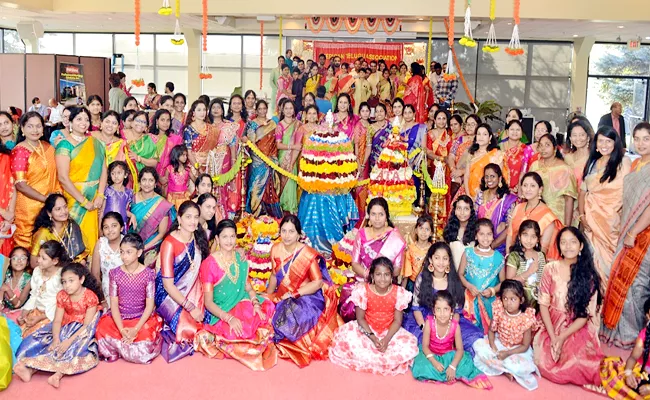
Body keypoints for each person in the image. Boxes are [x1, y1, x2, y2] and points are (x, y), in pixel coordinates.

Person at [194, 219, 277, 370]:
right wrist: (229, 318)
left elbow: (249, 288)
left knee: (266, 310)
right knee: (235, 332)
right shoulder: (209, 264)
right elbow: (208, 302)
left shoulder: (240, 258)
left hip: (242, 301)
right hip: (221, 310)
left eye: (232, 236)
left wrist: (256, 304)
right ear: (217, 239)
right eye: (225, 237)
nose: (229, 241)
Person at [533, 227, 604, 390]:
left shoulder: (589, 275)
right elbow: (543, 304)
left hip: (575, 326)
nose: (568, 246)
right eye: (563, 242)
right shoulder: (549, 268)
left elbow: (585, 315)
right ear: (558, 246)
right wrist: (553, 336)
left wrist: (562, 337)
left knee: (576, 363)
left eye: (573, 242)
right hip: (550, 322)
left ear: (581, 246)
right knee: (544, 362)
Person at [266, 215, 342, 367]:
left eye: (291, 232)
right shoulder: (275, 249)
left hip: (307, 296)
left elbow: (318, 282)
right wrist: (268, 295)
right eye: (284, 231)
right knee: (263, 308)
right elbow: (274, 275)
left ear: (299, 235)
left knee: (289, 315)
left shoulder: (307, 254)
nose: (287, 236)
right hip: (282, 294)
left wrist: (295, 294)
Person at [13, 263, 103, 388]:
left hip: (82, 329)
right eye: (64, 281)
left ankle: (58, 375)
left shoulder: (90, 297)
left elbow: (87, 326)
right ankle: (30, 370)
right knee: (47, 343)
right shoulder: (62, 295)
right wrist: (56, 339)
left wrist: (68, 342)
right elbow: (57, 320)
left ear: (81, 279)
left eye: (71, 281)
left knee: (74, 348)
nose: (67, 285)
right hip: (65, 325)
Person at [601, 122, 650, 349]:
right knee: (620, 280)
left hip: (643, 236)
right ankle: (615, 334)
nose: (640, 143)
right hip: (628, 231)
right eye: (637, 138)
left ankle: (631, 337)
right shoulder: (637, 164)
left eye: (646, 139)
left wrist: (633, 231)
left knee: (636, 286)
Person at [329, 257, 418, 375]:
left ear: (392, 277)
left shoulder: (399, 293)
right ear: (372, 276)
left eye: (386, 275)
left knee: (409, 346)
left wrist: (386, 340)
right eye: (378, 274)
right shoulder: (363, 291)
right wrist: (373, 338)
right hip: (367, 330)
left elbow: (397, 321)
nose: (382, 278)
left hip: (389, 331)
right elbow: (360, 319)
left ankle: (380, 351)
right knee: (347, 341)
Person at [402, 242, 483, 353]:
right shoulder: (422, 279)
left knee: (470, 340)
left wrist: (450, 330)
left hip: (449, 320)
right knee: (418, 344)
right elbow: (416, 308)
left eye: (445, 258)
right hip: (426, 319)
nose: (441, 262)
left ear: (449, 261)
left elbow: (456, 311)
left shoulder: (453, 280)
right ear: (430, 260)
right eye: (437, 258)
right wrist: (424, 327)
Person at [95, 233, 162, 364]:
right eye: (122, 252)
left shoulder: (148, 274)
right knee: (101, 329)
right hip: (119, 318)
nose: (124, 256)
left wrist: (135, 329)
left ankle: (123, 345)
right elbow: (113, 304)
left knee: (145, 345)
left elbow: (149, 306)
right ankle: (125, 342)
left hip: (140, 319)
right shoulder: (114, 273)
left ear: (139, 253)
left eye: (128, 252)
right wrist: (121, 330)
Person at [155, 201, 209, 362]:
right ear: (179, 219)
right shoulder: (169, 243)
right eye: (188, 217)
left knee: (209, 319)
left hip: (195, 289)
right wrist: (190, 307)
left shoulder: (199, 237)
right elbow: (167, 285)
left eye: (196, 217)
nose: (193, 221)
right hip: (169, 295)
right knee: (190, 329)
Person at [579, 126, 630, 283]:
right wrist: (582, 216)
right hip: (590, 223)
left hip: (611, 223)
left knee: (610, 266)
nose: (604, 145)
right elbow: (582, 192)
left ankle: (610, 301)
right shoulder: (592, 163)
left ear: (615, 143)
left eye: (608, 141)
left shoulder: (624, 163)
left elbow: (626, 194)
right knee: (590, 264)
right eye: (600, 141)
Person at [411, 290, 492, 389]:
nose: (442, 313)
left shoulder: (455, 326)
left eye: (446, 309)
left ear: (452, 311)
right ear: (433, 311)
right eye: (438, 309)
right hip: (431, 354)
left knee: (466, 364)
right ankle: (443, 373)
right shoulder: (429, 323)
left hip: (449, 355)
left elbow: (460, 350)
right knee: (422, 366)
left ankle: (444, 373)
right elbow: (424, 346)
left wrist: (452, 366)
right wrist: (434, 362)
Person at [55, 106, 108, 254]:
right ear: (70, 122)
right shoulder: (64, 145)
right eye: (79, 119)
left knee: (91, 239)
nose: (83, 122)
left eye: (86, 119)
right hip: (74, 199)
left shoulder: (96, 143)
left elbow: (104, 170)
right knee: (73, 240)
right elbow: (63, 178)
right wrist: (84, 201)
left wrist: (100, 195)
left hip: (95, 199)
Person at [472, 280, 539, 390]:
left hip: (517, 350)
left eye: (513, 299)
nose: (508, 303)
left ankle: (505, 368)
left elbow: (525, 346)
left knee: (521, 366)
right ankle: (505, 369)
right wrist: (493, 345)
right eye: (505, 298)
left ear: (521, 300)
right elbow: (491, 331)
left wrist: (507, 353)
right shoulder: (499, 311)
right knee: (478, 345)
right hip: (500, 344)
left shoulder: (526, 317)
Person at [11, 111, 59, 249]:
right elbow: (20, 185)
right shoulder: (20, 151)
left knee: (48, 244)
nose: (35, 130)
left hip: (49, 206)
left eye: (38, 126)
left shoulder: (47, 147)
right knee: (28, 245)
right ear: (22, 129)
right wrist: (45, 199)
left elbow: (55, 174)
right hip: (28, 208)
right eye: (30, 126)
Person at [458, 218, 506, 334]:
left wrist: (492, 290)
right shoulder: (468, 252)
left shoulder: (498, 257)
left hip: (489, 301)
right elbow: (460, 274)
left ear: (493, 236)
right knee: (468, 331)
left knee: (488, 333)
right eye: (482, 234)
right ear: (476, 236)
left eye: (489, 234)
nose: (485, 238)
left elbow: (503, 283)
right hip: (468, 299)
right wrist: (469, 286)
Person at [601, 298, 650, 399]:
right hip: (643, 373)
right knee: (615, 374)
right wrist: (628, 374)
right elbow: (632, 358)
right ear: (648, 316)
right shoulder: (644, 336)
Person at [506, 172, 562, 259]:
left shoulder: (547, 216)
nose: (528, 189)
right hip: (513, 258)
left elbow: (543, 249)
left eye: (532, 186)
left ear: (540, 189)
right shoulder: (518, 208)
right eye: (525, 185)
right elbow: (510, 235)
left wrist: (526, 264)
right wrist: (509, 257)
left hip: (533, 263)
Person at [17, 241, 68, 338]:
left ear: (55, 261)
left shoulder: (62, 276)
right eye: (39, 256)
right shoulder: (37, 271)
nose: (38, 260)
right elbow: (34, 295)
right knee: (17, 333)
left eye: (43, 258)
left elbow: (61, 305)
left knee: (31, 338)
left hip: (53, 316)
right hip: (36, 312)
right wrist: (24, 314)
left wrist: (40, 318)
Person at [243, 100, 281, 219]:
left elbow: (274, 143)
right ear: (256, 110)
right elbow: (251, 142)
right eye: (260, 109)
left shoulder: (272, 123)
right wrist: (261, 157)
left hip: (270, 159)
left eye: (264, 108)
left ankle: (268, 215)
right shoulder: (252, 124)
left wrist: (271, 158)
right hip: (257, 160)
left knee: (270, 187)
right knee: (255, 187)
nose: (262, 111)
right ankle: (254, 212)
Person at [529, 134, 577, 227]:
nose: (543, 148)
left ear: (555, 148)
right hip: (537, 213)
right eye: (541, 145)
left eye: (547, 145)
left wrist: (566, 226)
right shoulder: (534, 166)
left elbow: (569, 199)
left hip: (557, 216)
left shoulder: (564, 169)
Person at [131, 168, 176, 268]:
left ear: (156, 183)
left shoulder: (162, 204)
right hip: (130, 243)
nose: (147, 184)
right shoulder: (131, 198)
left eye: (151, 180)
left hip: (151, 246)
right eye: (144, 180)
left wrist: (144, 247)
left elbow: (161, 233)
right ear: (139, 182)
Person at [31, 194, 89, 266]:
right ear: (49, 213)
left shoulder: (72, 225)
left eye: (65, 207)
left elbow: (83, 251)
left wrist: (82, 261)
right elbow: (33, 263)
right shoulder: (43, 233)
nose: (64, 211)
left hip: (74, 271)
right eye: (58, 209)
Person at [475, 164, 518, 255]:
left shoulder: (507, 199)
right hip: (480, 243)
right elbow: (474, 219)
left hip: (499, 247)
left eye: (492, 176)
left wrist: (492, 246)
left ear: (500, 178)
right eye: (486, 177)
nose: (489, 179)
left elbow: (509, 228)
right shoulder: (480, 196)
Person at [505, 220, 547, 309]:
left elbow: (543, 281)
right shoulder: (514, 256)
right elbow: (509, 284)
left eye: (533, 237)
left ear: (538, 239)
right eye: (525, 235)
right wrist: (529, 272)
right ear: (519, 236)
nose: (529, 240)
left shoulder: (541, 255)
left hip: (538, 302)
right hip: (519, 302)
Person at [464, 123, 507, 200]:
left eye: (484, 134)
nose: (481, 137)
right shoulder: (471, 154)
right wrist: (468, 195)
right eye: (479, 134)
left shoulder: (496, 154)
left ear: (490, 137)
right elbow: (466, 175)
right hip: (469, 193)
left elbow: (499, 177)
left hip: (489, 195)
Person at [91, 212, 124, 308]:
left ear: (121, 227)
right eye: (106, 227)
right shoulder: (101, 244)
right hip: (107, 291)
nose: (110, 230)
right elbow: (95, 275)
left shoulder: (128, 242)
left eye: (114, 226)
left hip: (127, 291)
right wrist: (102, 299)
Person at [564, 119, 594, 226]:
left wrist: (579, 208)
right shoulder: (567, 158)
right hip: (569, 203)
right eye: (574, 135)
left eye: (581, 135)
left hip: (588, 204)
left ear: (588, 137)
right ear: (570, 138)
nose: (578, 139)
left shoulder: (593, 158)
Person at [276, 101, 302, 214]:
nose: (288, 110)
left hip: (294, 158)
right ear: (282, 110)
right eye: (286, 108)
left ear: (294, 110)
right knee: (283, 183)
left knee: (291, 183)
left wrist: (294, 150)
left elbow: (300, 143)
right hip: (283, 158)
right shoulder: (279, 125)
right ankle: (282, 209)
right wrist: (292, 146)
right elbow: (278, 145)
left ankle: (292, 208)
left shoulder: (298, 125)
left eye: (291, 108)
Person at [150, 109, 183, 188]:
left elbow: (179, 160)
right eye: (162, 120)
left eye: (168, 120)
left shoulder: (176, 139)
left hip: (170, 178)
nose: (165, 123)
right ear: (157, 121)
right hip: (151, 176)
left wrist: (166, 175)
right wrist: (158, 176)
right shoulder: (149, 138)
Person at [183, 100, 218, 174]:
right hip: (193, 167)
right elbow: (189, 153)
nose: (202, 113)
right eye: (199, 110)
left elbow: (215, 149)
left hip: (209, 166)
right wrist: (198, 169)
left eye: (204, 110)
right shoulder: (189, 129)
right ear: (193, 113)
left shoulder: (211, 128)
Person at [443, 195, 478, 268]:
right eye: (459, 208)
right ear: (455, 211)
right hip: (452, 271)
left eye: (466, 209)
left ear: (471, 211)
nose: (462, 212)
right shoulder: (450, 228)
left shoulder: (476, 230)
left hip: (470, 272)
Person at [101, 161, 134, 234]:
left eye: (119, 173)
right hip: (108, 226)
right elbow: (102, 211)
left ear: (125, 175)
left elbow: (124, 210)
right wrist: (100, 230)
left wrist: (132, 215)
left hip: (121, 226)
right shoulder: (107, 190)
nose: (116, 176)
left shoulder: (128, 193)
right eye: (113, 173)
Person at [401, 215, 433, 288]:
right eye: (421, 228)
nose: (424, 232)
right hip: (412, 283)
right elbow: (406, 273)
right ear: (416, 230)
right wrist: (402, 292)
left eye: (427, 229)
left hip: (428, 283)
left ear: (431, 233)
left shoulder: (433, 250)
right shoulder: (410, 249)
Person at [501, 120, 533, 193]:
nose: (515, 132)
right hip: (501, 188)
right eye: (512, 129)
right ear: (507, 132)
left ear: (522, 134)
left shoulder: (526, 150)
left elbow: (529, 170)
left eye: (518, 130)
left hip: (520, 190)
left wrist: (520, 187)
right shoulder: (499, 148)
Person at [0, 247, 31, 322]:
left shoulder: (29, 280)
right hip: (3, 311)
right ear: (10, 262)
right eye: (15, 258)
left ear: (27, 262)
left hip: (18, 314)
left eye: (23, 258)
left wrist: (7, 289)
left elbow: (18, 304)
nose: (19, 261)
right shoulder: (5, 273)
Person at [124, 111, 158, 176]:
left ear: (146, 127)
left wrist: (139, 158)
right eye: (138, 120)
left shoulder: (148, 140)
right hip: (123, 176)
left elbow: (154, 163)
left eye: (143, 122)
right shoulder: (121, 135)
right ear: (132, 123)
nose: (140, 123)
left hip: (142, 178)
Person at [164, 145, 194, 210]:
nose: (185, 157)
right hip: (172, 199)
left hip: (185, 198)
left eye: (186, 155)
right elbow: (165, 184)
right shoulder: (169, 169)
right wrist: (164, 198)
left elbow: (195, 180)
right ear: (176, 155)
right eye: (183, 155)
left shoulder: (187, 169)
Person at [368, 104, 392, 171]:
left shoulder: (391, 126)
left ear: (385, 113)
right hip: (374, 160)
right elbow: (368, 146)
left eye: (381, 111)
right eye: (377, 111)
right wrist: (363, 164)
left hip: (388, 159)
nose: (379, 113)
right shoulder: (370, 127)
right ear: (374, 114)